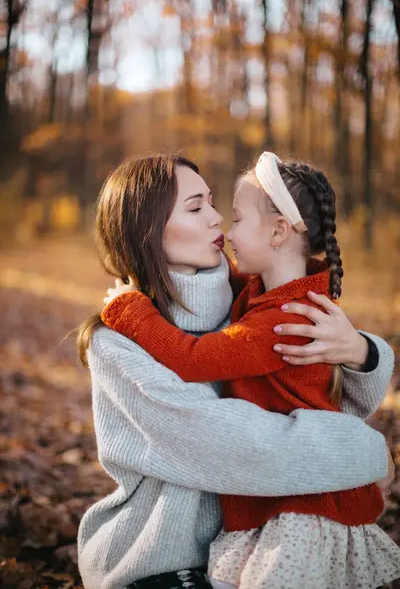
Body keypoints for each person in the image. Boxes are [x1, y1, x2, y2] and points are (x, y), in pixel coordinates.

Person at [77, 154, 394, 589]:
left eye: (212, 202)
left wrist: (361, 351)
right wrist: (367, 453)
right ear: (146, 229)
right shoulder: (116, 341)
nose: (217, 218)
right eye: (195, 208)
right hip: (159, 560)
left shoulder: (251, 304)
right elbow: (233, 444)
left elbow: (338, 396)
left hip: (256, 542)